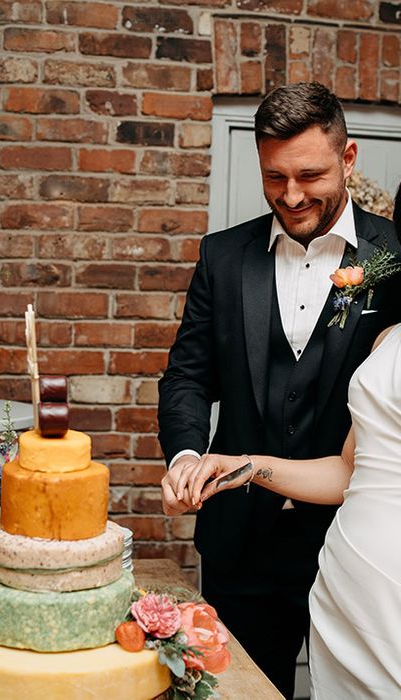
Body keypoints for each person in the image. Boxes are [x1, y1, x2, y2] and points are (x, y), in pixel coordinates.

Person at [158, 81, 401, 699]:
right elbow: (188, 375)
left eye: (310, 175)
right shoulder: (222, 257)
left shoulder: (394, 257)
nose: (291, 196)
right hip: (240, 539)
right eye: (274, 177)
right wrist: (187, 456)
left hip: (354, 540)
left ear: (348, 159)